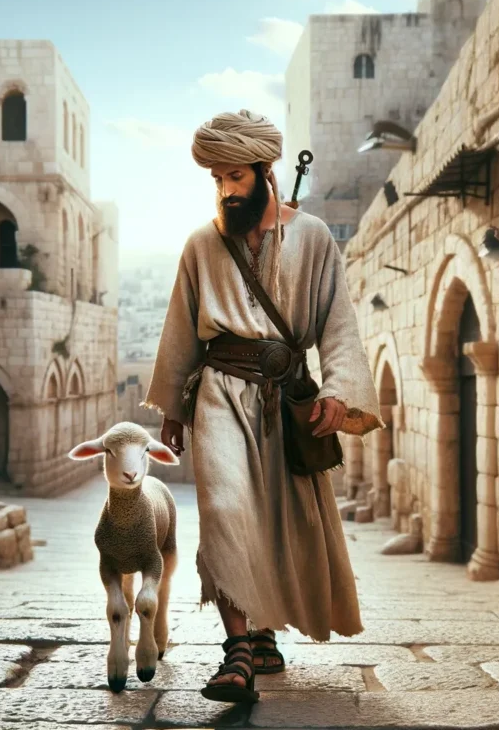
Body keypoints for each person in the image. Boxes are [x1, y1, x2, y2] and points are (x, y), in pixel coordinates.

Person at [142, 110, 383, 703]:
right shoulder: (201, 244)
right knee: (226, 510)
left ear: (264, 170)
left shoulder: (314, 237)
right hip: (221, 391)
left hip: (287, 395)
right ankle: (238, 652)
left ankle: (264, 631)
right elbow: (181, 332)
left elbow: (339, 323)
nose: (225, 189)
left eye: (235, 177)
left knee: (275, 517)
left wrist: (338, 390)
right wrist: (173, 410)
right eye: (217, 179)